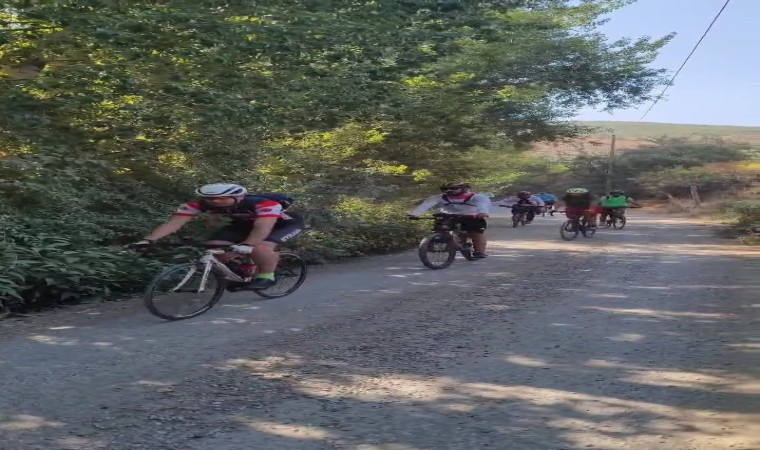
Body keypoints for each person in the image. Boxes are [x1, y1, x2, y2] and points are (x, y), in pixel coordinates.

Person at [131, 183, 304, 290]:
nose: (214, 202)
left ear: (237, 197)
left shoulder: (264, 204)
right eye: (209, 199)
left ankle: (267, 276)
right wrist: (148, 240)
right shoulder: (197, 205)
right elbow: (172, 224)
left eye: (220, 199)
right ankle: (243, 271)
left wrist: (248, 245)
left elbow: (262, 227)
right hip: (242, 226)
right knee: (214, 247)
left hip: (283, 225)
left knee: (260, 247)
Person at [409, 181, 491, 258]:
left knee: (475, 233)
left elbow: (483, 204)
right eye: (448, 189)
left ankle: (479, 251)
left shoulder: (476, 197)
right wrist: (414, 214)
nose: (451, 191)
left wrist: (482, 212)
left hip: (471, 216)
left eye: (454, 189)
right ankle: (436, 241)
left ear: (464, 189)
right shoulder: (440, 197)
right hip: (448, 215)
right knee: (441, 229)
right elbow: (426, 205)